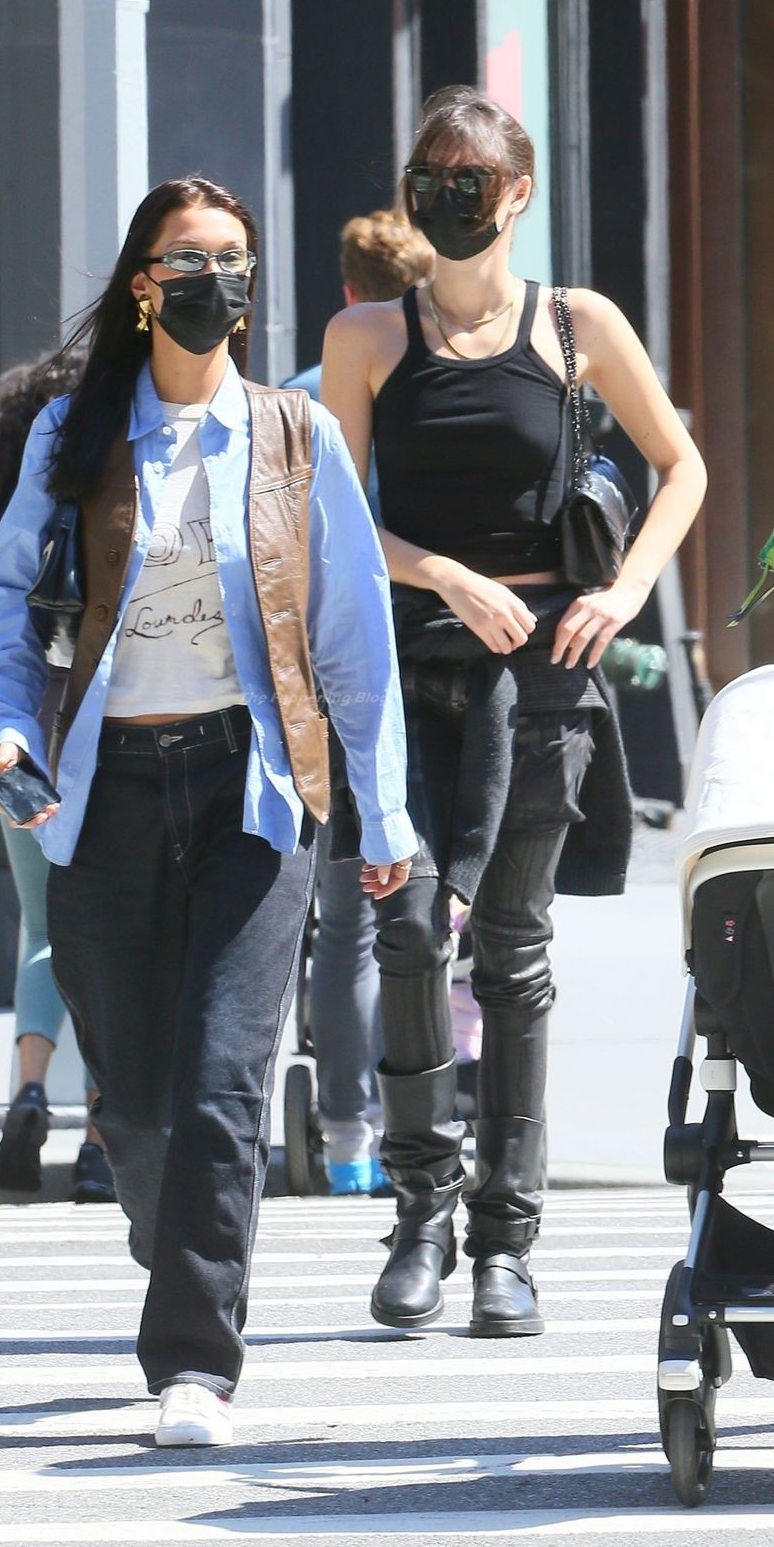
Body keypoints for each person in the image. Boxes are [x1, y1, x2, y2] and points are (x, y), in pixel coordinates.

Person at [0, 174, 415, 1448]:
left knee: (223, 1081)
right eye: (187, 260)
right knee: (137, 1108)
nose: (212, 281)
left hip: (251, 788)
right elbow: (3, 610)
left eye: (232, 261)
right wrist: (4, 728)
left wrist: (381, 814)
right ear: (141, 287)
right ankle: (176, 1250)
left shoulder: (296, 437)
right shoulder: (72, 436)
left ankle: (194, 1365)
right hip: (102, 790)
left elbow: (351, 637)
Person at [322, 85, 707, 1338]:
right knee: (404, 929)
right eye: (428, 178)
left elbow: (682, 467)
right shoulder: (366, 337)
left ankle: (505, 1243)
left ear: (518, 194)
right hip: (410, 670)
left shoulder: (577, 324)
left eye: (471, 180)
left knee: (511, 947)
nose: (447, 196)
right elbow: (336, 525)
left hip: (544, 676)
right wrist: (441, 573)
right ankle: (418, 1215)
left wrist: (623, 593)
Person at [0, 353, 113, 1204]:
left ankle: (31, 1092)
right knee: (116, 929)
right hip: (103, 716)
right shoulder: (112, 480)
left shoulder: (1, 516)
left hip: (17, 729)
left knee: (43, 927)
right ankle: (102, 1138)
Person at [283, 209, 434, 1195]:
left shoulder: (296, 402)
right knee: (438, 905)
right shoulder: (441, 389)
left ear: (345, 294)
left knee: (344, 920)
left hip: (331, 674)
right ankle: (441, 1104)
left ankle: (346, 1137)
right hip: (434, 660)